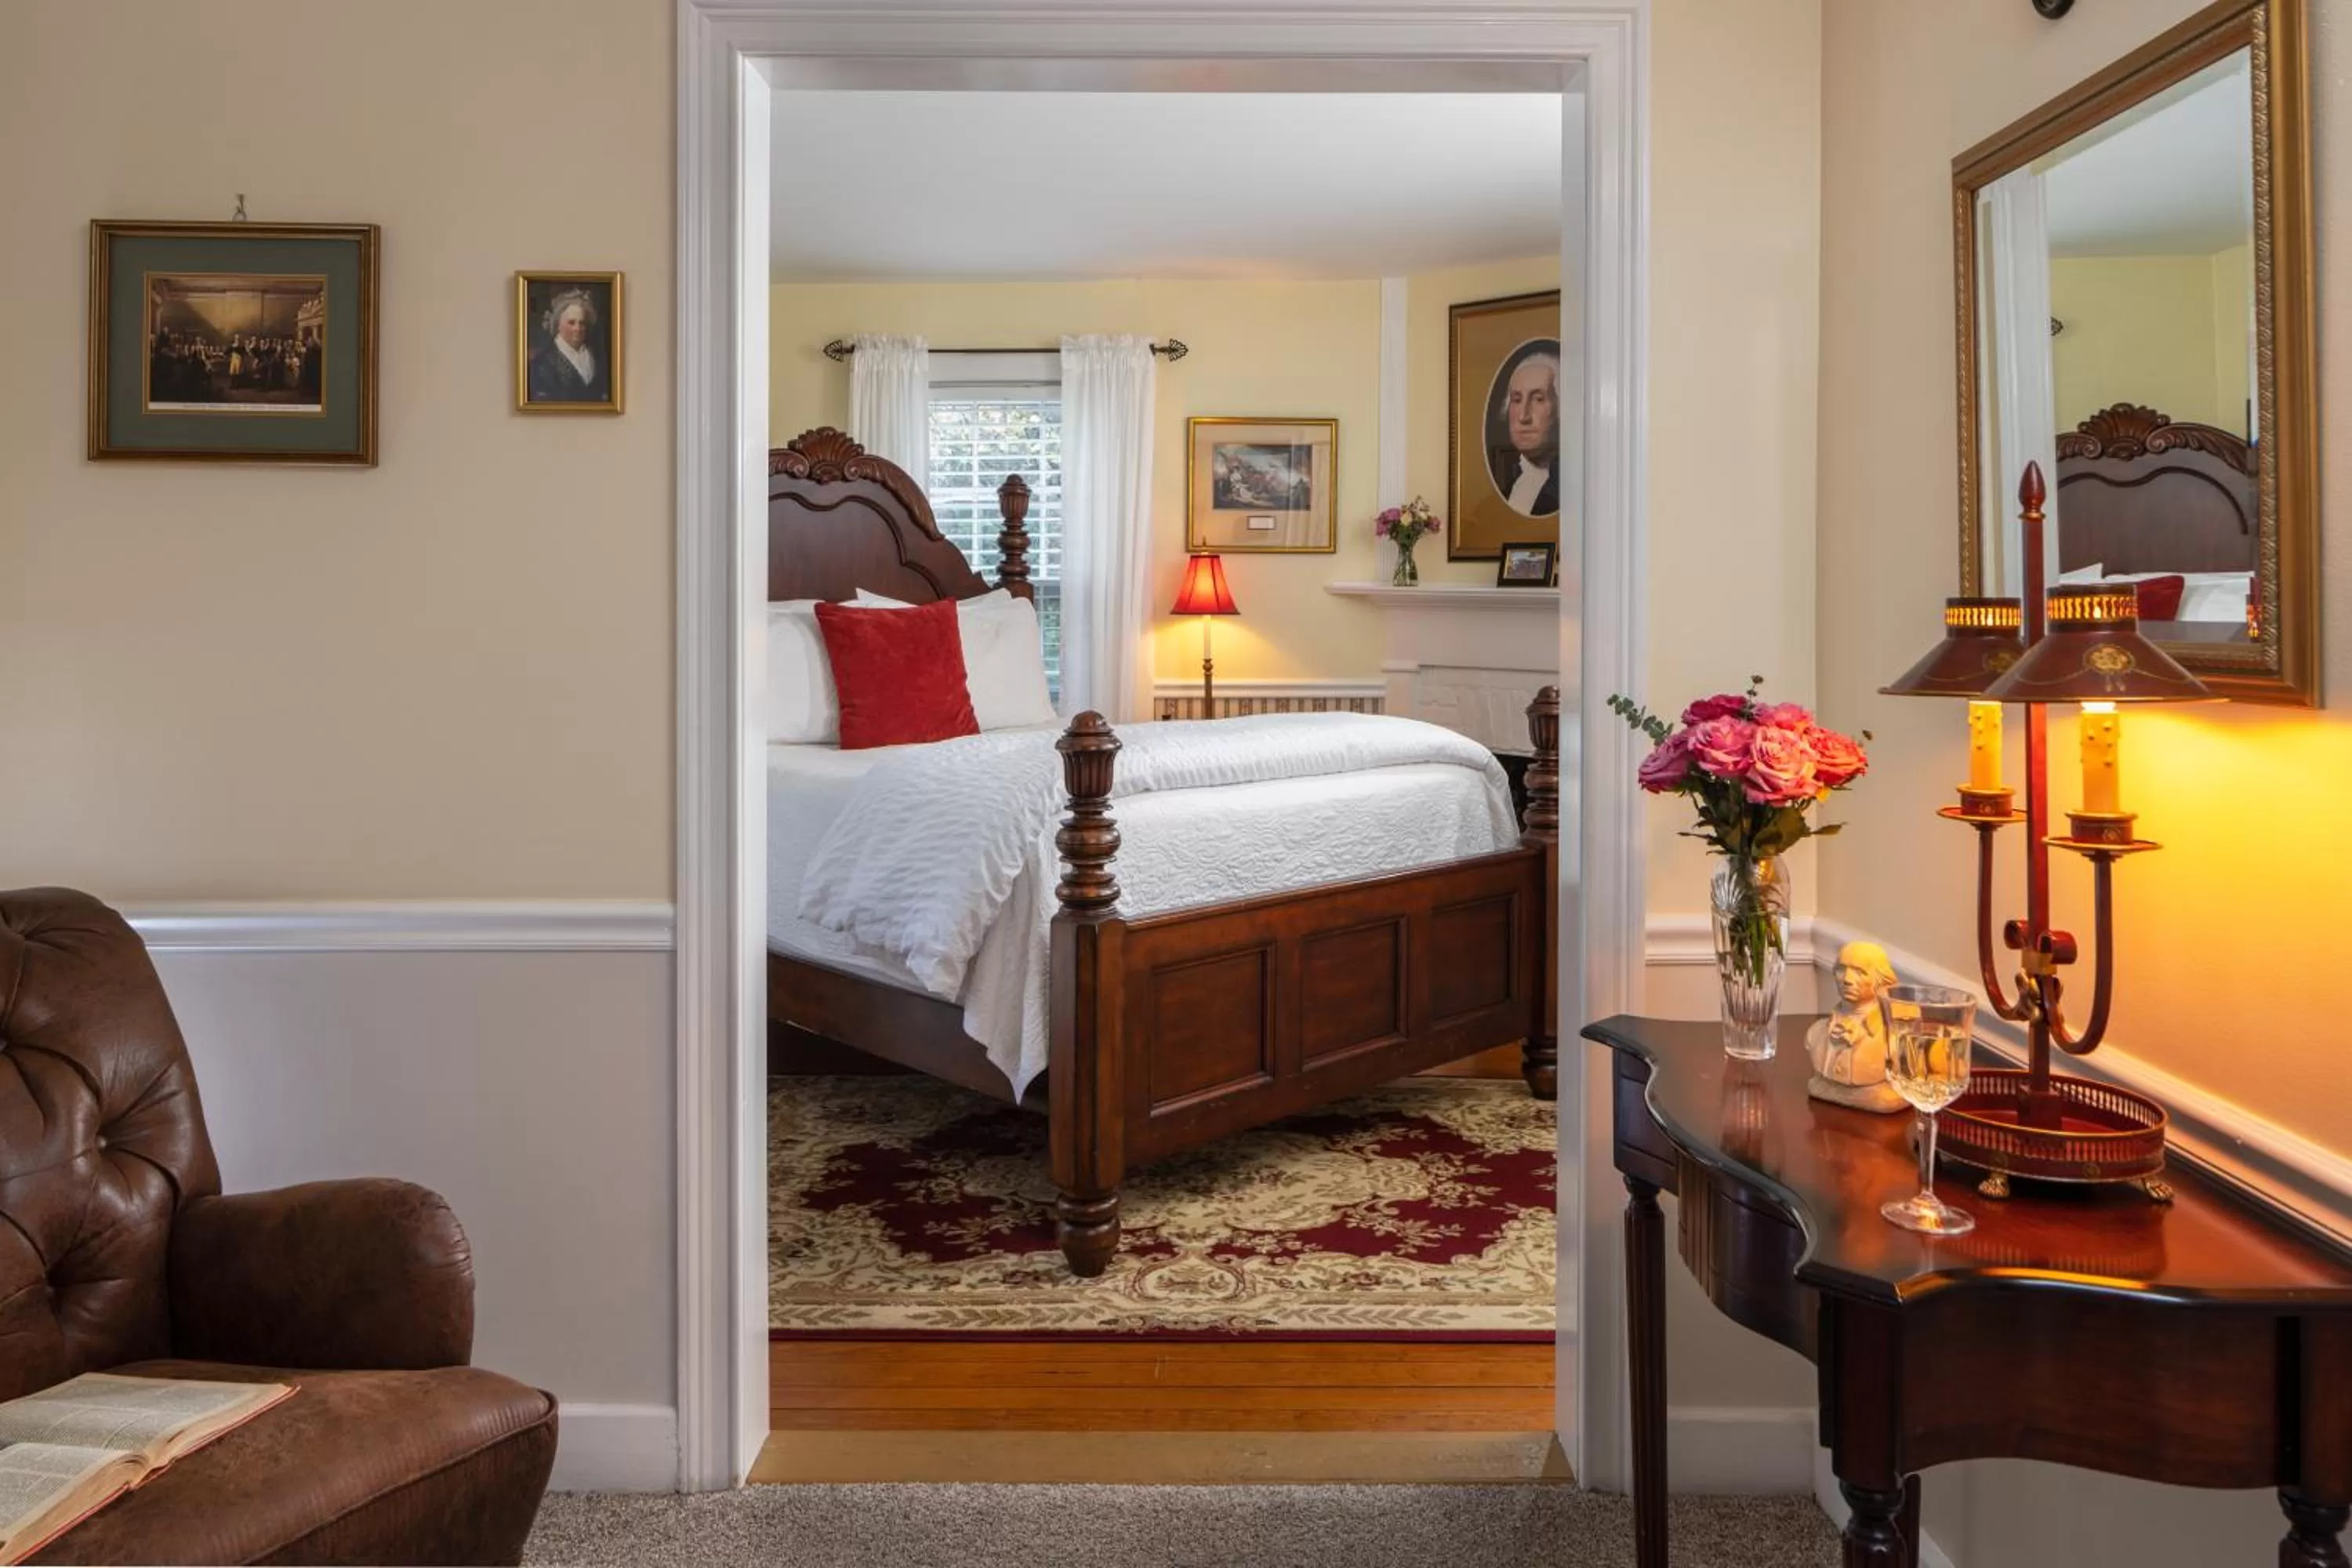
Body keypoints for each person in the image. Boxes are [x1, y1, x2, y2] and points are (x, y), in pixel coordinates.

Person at [1485, 347, 1560, 517]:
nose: (1524, 416)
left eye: (1538, 399)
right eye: (1517, 400)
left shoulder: (1571, 491)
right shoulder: (1492, 500)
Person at [527, 287, 610, 403]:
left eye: (582, 323)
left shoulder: (596, 357)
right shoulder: (542, 362)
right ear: (558, 325)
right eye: (571, 323)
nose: (578, 329)